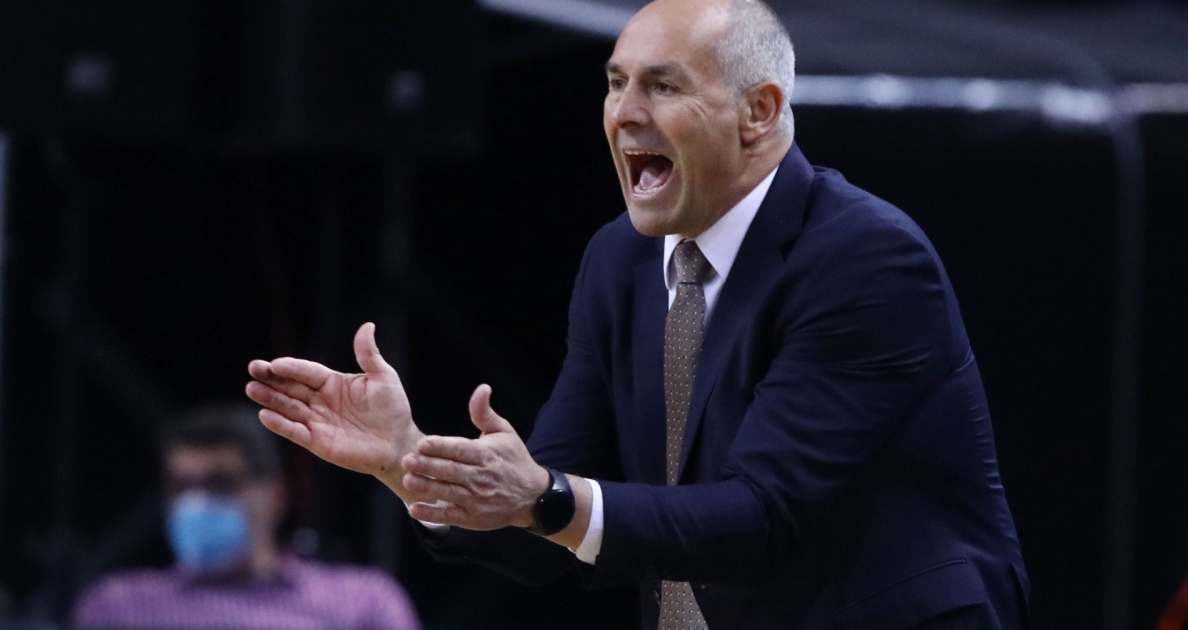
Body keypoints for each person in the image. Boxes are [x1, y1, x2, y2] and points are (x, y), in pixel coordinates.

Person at [245, 0, 1031, 628]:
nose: (622, 112)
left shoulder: (864, 258)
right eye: (616, 82)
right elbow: (545, 520)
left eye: (662, 86)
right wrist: (409, 462)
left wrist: (544, 498)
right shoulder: (619, 259)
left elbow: (760, 517)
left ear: (758, 110)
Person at [72, 404, 422, 630]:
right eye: (182, 486)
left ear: (275, 497)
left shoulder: (362, 602)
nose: (196, 501)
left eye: (220, 484)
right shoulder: (117, 606)